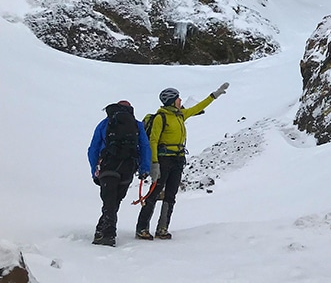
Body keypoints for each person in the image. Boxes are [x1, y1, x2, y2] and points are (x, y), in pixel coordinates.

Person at [135, 82, 228, 240]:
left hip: (178, 159)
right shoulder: (161, 117)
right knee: (155, 192)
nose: (180, 101)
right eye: (178, 98)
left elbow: (197, 108)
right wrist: (154, 163)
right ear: (171, 100)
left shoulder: (180, 115)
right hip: (164, 159)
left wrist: (214, 95)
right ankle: (142, 228)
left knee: (171, 194)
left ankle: (162, 228)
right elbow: (153, 141)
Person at [88, 100, 152, 247]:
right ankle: (101, 230)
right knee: (115, 200)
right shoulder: (137, 124)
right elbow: (145, 146)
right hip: (128, 166)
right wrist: (144, 168)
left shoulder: (105, 123)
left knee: (109, 200)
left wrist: (94, 171)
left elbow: (93, 148)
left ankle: (108, 234)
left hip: (108, 165)